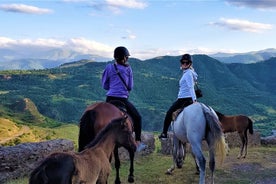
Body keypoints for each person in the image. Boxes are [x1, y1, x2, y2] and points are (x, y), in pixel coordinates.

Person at [102, 46, 147, 152]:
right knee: (137, 117)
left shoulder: (109, 67)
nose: (127, 59)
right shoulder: (128, 69)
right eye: (127, 57)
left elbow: (105, 85)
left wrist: (113, 87)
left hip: (109, 99)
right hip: (122, 99)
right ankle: (138, 142)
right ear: (124, 58)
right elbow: (130, 87)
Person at [159, 54, 198, 140]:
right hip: (186, 98)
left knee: (169, 113)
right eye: (182, 62)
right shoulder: (190, 73)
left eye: (186, 62)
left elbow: (191, 87)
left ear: (190, 64)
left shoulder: (188, 74)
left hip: (184, 100)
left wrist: (195, 101)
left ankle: (164, 134)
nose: (184, 64)